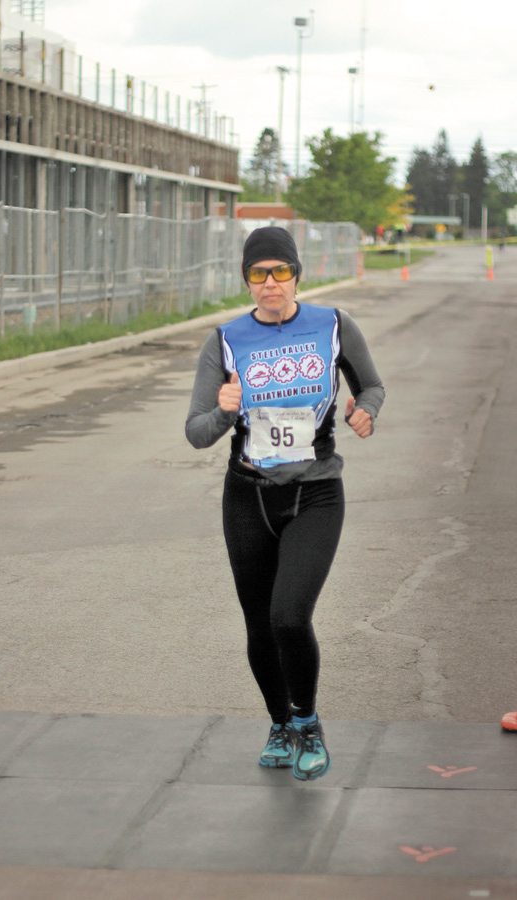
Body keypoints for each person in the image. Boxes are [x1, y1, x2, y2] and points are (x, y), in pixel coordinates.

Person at [185, 226, 385, 781]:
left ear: (298, 274)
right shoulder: (224, 340)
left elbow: (371, 385)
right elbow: (197, 432)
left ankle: (309, 722)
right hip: (247, 495)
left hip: (316, 491)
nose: (269, 283)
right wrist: (226, 409)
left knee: (288, 616)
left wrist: (366, 411)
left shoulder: (333, 326)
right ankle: (279, 723)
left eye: (280, 271)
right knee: (257, 626)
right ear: (246, 280)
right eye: (257, 273)